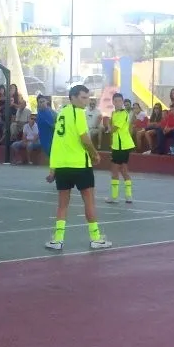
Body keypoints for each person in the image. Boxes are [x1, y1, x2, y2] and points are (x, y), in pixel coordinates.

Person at [45, 85, 111, 251]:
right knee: (89, 202)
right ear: (73, 97)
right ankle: (95, 238)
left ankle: (58, 239)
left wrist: (53, 167)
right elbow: (85, 138)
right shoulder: (78, 113)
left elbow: (57, 143)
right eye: (83, 97)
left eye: (87, 98)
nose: (86, 101)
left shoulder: (62, 114)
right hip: (80, 165)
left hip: (63, 167)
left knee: (62, 205)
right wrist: (94, 154)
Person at [106, 92, 135, 204]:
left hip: (122, 146)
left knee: (114, 170)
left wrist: (108, 124)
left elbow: (113, 129)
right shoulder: (115, 113)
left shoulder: (123, 114)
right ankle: (128, 196)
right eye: (115, 101)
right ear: (113, 102)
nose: (117, 103)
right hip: (118, 145)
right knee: (123, 170)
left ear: (122, 102)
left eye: (119, 101)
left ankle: (114, 197)